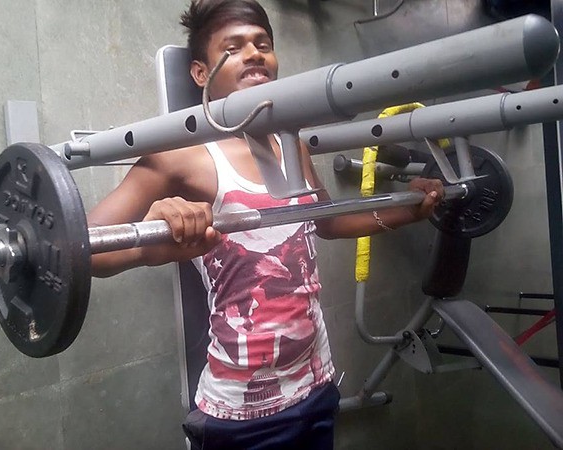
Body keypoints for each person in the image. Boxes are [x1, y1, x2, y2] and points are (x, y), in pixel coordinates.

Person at [87, 1, 444, 448]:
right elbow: (87, 249)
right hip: (242, 411)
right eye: (233, 48)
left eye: (263, 44)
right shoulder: (180, 154)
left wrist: (409, 209)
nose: (254, 53)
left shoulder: (291, 145)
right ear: (200, 73)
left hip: (316, 383)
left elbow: (328, 222)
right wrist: (154, 234)